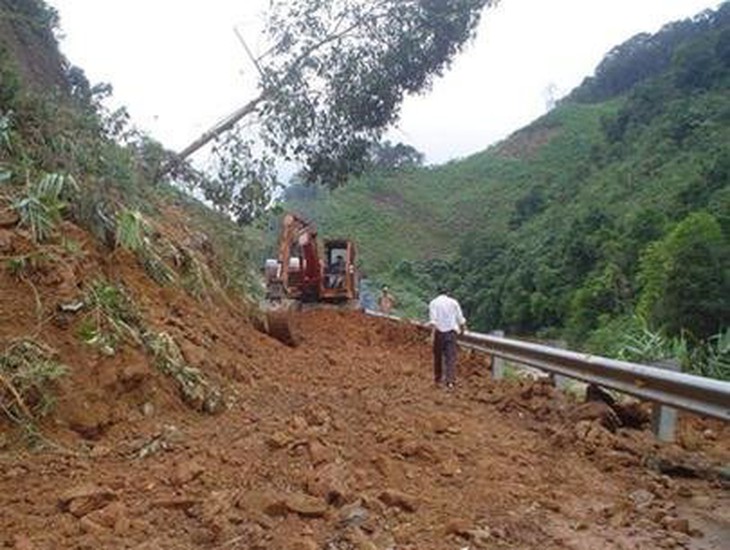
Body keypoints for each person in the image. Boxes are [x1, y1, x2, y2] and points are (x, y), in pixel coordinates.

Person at [428, 287, 466, 389]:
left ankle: (438, 380)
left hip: (439, 333)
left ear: (438, 293)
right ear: (448, 293)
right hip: (451, 333)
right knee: (450, 357)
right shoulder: (453, 302)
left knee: (438, 357)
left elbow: (433, 321)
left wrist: (432, 335)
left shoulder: (433, 303)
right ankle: (450, 381)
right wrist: (463, 331)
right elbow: (460, 319)